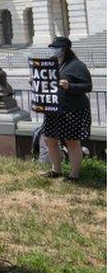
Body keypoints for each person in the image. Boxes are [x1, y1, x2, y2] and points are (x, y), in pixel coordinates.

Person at [41, 37, 92, 181]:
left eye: (56, 47)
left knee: (72, 141)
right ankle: (56, 170)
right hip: (54, 108)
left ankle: (74, 175)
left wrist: (70, 86)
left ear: (64, 49)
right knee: (49, 138)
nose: (53, 50)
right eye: (52, 47)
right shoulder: (53, 63)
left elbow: (88, 86)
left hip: (73, 109)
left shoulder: (77, 65)